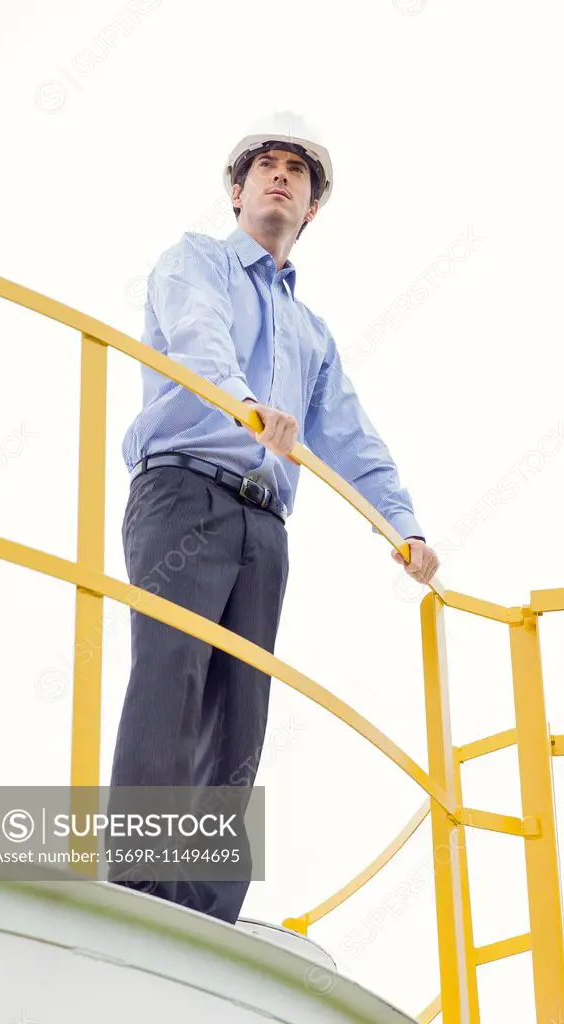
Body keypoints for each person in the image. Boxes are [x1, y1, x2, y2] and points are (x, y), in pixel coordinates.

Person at [109, 117, 440, 924]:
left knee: (240, 701)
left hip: (266, 524)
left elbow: (350, 434)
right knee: (173, 673)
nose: (280, 178)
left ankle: (206, 907)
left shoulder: (309, 332)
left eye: (296, 171)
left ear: (312, 210)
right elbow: (197, 339)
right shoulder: (196, 261)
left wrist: (404, 527)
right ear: (237, 190)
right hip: (185, 489)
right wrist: (244, 402)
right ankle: (134, 887)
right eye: (265, 166)